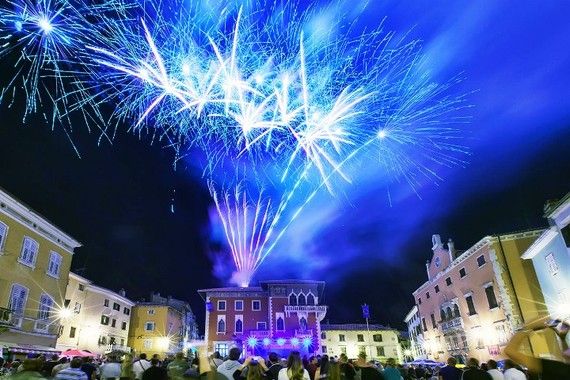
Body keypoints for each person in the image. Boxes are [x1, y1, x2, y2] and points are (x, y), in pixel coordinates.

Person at [504, 317, 570, 379]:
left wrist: (528, 327)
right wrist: (562, 339)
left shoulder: (558, 369)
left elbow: (510, 351)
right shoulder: (562, 369)